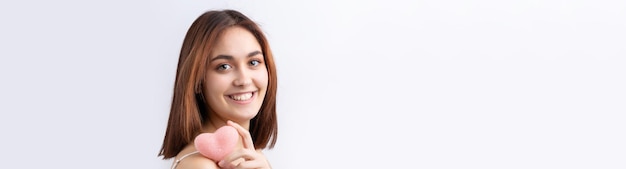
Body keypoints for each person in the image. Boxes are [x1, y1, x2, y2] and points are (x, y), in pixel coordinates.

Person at [159, 9, 278, 169]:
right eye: (224, 66)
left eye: (253, 62)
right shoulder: (201, 166)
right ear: (198, 80)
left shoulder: (253, 156)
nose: (244, 80)